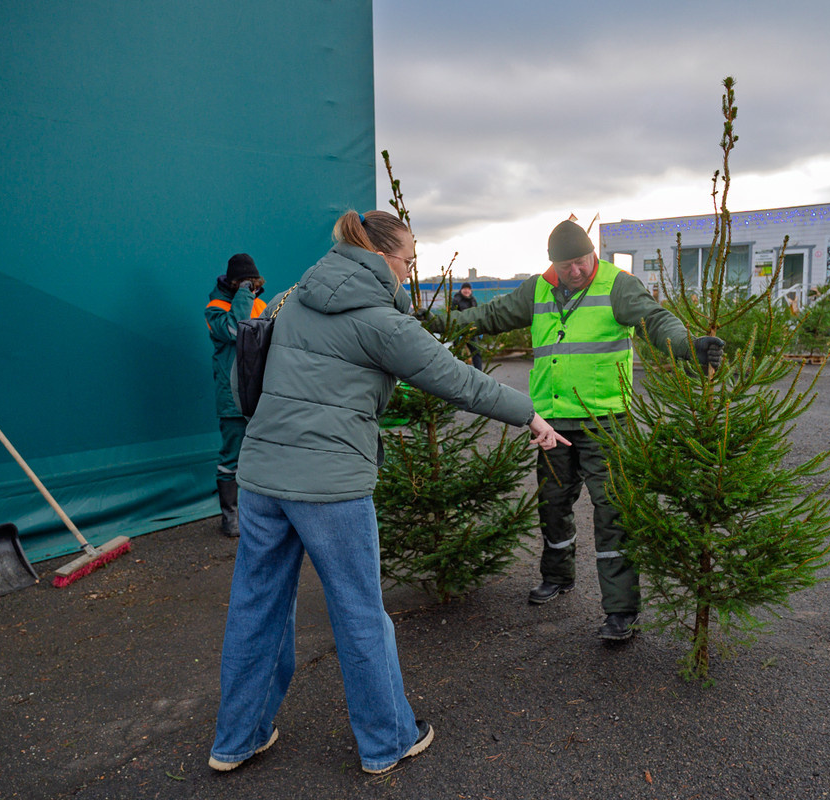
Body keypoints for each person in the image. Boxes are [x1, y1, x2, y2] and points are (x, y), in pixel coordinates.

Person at [208, 210, 569, 776]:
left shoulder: (289, 296)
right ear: (380, 256)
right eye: (407, 261)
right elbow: (456, 379)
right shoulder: (378, 319)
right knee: (357, 611)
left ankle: (235, 740)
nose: (408, 272)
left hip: (260, 478)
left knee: (256, 608)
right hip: (331, 486)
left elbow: (240, 380)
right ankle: (386, 741)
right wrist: (528, 415)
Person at [442, 219, 724, 642]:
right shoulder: (537, 289)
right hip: (551, 422)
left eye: (582, 261)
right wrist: (439, 323)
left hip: (605, 424)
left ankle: (621, 612)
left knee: (613, 514)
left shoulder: (617, 286)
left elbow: (655, 321)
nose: (575, 270)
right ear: (552, 263)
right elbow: (491, 314)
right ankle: (558, 576)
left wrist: (688, 346)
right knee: (552, 504)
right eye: (566, 264)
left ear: (593, 254)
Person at [205, 253, 266, 537]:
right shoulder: (215, 308)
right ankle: (230, 516)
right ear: (233, 283)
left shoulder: (262, 303)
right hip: (232, 396)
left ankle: (261, 514)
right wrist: (244, 296)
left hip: (261, 394)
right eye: (244, 284)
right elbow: (236, 329)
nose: (250, 288)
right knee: (232, 457)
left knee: (265, 455)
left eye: (251, 283)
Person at [449, 281, 483, 370]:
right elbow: (454, 315)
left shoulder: (473, 300)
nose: (467, 291)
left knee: (476, 352)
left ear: (471, 291)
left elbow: (476, 314)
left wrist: (479, 328)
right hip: (459, 331)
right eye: (465, 289)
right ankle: (460, 373)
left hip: (471, 330)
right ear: (461, 290)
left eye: (468, 289)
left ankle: (479, 373)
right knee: (458, 353)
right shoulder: (456, 300)